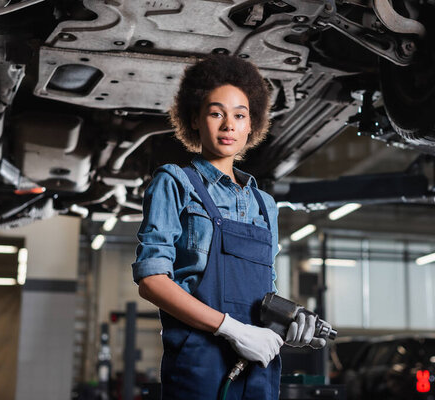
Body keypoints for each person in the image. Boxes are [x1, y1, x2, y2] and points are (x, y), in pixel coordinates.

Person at [132, 54, 325, 400]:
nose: (228, 125)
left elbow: (264, 294)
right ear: (194, 119)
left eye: (239, 115)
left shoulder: (264, 205)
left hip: (260, 367)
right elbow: (152, 281)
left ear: (252, 125)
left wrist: (289, 323)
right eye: (216, 113)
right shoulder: (176, 182)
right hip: (200, 367)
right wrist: (232, 329)